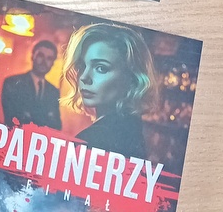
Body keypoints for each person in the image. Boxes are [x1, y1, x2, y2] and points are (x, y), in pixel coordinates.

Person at [61, 23, 157, 157]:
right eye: (81, 66)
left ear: (131, 77)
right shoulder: (132, 127)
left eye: (101, 68)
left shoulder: (94, 139)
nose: (84, 77)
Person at [1, 41, 62, 129]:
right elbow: (12, 117)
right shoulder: (12, 82)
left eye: (49, 58)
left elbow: (57, 126)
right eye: (40, 56)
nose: (44, 62)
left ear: (53, 63)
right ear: (33, 56)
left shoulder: (53, 91)